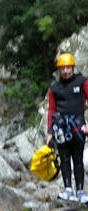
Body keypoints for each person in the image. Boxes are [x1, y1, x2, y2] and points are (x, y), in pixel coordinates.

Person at [46, 53, 88, 203]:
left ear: (72, 67)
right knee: (64, 158)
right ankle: (68, 189)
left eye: (68, 67)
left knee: (77, 159)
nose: (65, 71)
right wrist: (49, 131)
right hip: (61, 126)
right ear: (59, 70)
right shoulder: (54, 88)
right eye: (62, 68)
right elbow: (51, 110)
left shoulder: (82, 82)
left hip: (77, 126)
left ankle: (81, 191)